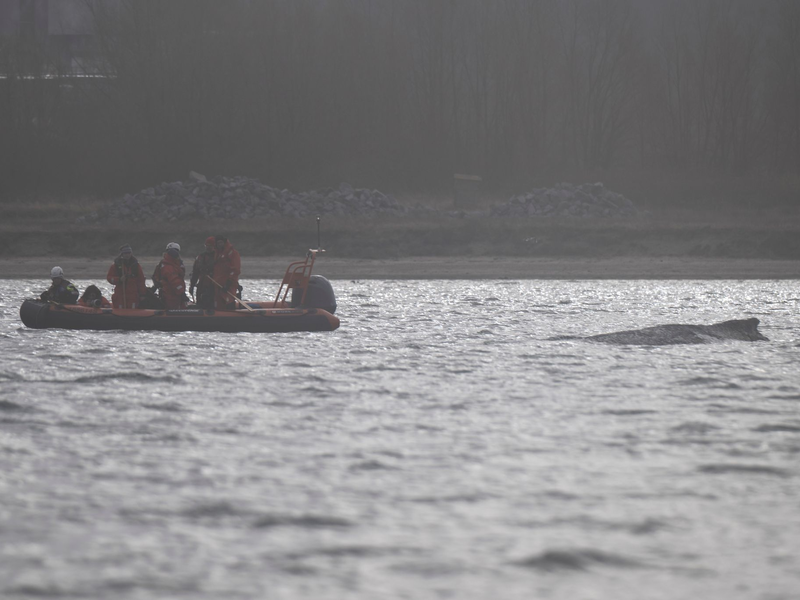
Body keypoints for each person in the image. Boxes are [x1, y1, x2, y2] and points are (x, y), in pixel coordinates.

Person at [106, 244, 147, 309]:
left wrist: (142, 294)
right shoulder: (116, 265)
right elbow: (109, 278)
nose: (127, 255)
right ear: (122, 254)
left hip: (133, 294)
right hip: (120, 294)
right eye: (125, 253)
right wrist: (119, 279)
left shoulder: (136, 266)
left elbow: (141, 281)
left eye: (129, 253)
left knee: (133, 309)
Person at [152, 242, 188, 310]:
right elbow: (174, 281)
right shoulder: (168, 265)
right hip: (170, 294)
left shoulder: (174, 263)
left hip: (173, 293)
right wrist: (182, 293)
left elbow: (155, 277)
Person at [212, 235, 241, 310]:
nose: (219, 245)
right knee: (219, 305)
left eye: (221, 242)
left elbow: (235, 270)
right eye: (218, 243)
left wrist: (229, 282)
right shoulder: (217, 254)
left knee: (229, 302)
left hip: (229, 284)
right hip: (218, 284)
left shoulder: (233, 253)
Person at [190, 236, 216, 309]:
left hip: (214, 285)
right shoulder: (200, 257)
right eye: (206, 246)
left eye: (210, 246)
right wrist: (192, 286)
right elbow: (195, 273)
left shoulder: (219, 257)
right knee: (200, 301)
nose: (208, 247)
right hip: (202, 284)